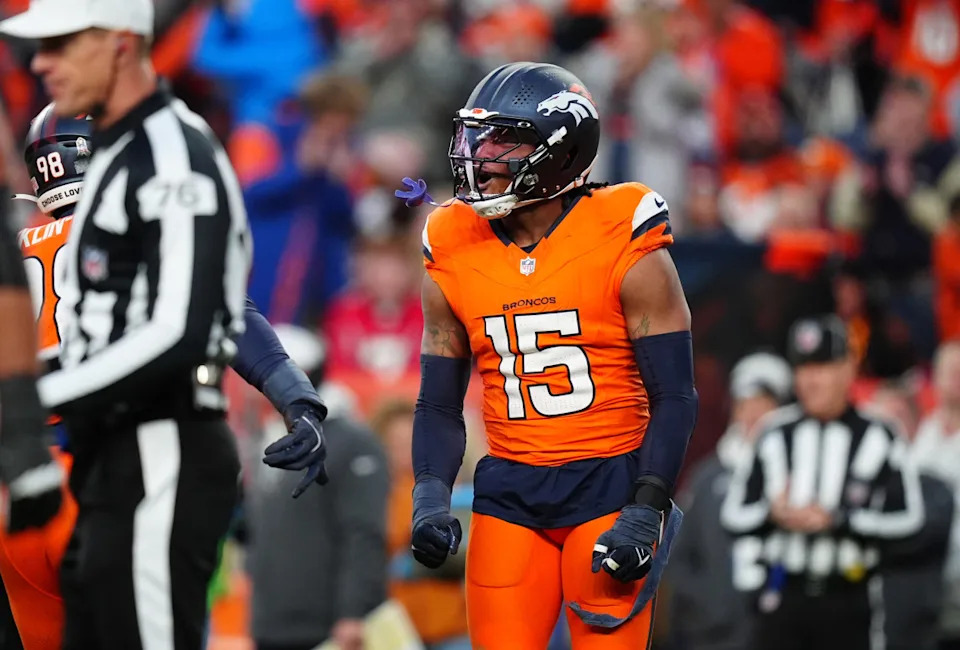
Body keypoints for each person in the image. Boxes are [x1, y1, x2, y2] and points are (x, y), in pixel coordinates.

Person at [0, 1, 322, 647]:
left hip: (27, 482)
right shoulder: (147, 177)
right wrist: (292, 390)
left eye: (61, 48)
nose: (42, 66)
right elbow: (215, 310)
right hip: (114, 462)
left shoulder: (27, 231)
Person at [404, 62, 699, 649]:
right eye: (478, 139)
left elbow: (674, 394)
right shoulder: (451, 240)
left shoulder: (621, 229)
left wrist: (647, 505)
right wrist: (430, 495)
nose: (481, 157)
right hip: (509, 492)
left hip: (609, 484)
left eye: (504, 141)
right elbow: (437, 402)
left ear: (562, 149)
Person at [721, 314, 926, 650]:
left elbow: (910, 520)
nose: (810, 380)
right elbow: (732, 516)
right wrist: (772, 514)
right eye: (803, 368)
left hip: (848, 597)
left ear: (847, 368)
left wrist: (841, 520)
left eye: (822, 367)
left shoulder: (880, 435)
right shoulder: (773, 432)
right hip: (783, 595)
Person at [248, 326, 389, 650]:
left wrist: (354, 611)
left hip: (327, 627)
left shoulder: (351, 441)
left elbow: (363, 532)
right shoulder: (269, 435)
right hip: (273, 622)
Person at [668, 351, 791, 650]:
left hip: (782, 630)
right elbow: (677, 553)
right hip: (715, 636)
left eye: (764, 404)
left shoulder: (801, 472)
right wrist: (711, 602)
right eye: (744, 404)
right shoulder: (707, 477)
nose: (752, 414)